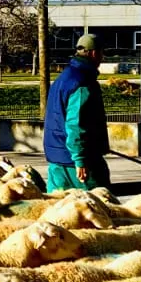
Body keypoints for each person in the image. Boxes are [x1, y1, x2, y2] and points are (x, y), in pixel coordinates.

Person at [43, 34, 110, 193]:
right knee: (100, 204)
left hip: (57, 161)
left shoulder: (63, 78)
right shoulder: (83, 83)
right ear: (94, 53)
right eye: (102, 53)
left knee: (56, 206)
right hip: (78, 164)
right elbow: (76, 124)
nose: (102, 58)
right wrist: (80, 159)